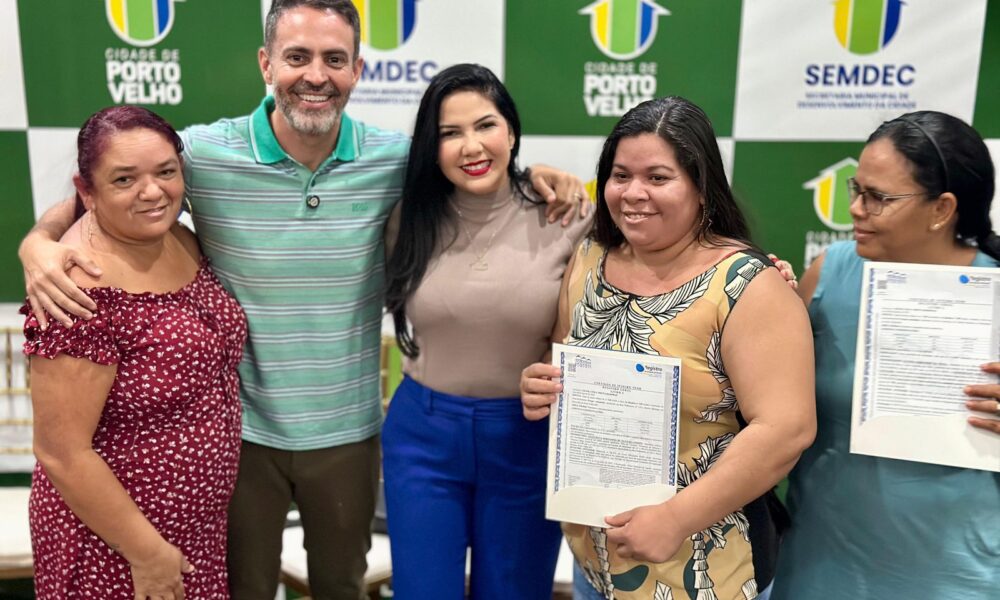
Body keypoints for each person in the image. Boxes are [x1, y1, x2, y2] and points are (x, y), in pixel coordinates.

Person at [17, 2, 586, 597]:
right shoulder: (202, 155)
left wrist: (538, 176)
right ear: (267, 64)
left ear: (358, 71)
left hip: (348, 433)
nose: (316, 75)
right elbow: (110, 185)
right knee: (245, 590)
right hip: (241, 435)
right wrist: (38, 245)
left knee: (342, 588)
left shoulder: (396, 160)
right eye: (297, 57)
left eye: (334, 59)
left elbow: (480, 173)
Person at [520, 96, 816, 600]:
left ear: (701, 187)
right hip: (597, 562)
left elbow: (786, 430)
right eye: (620, 176)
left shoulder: (747, 284)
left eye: (658, 177)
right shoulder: (590, 256)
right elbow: (562, 354)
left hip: (708, 572)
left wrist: (676, 517)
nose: (634, 193)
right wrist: (541, 384)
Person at [380, 63, 593, 599]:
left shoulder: (567, 215)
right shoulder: (408, 218)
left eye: (485, 125)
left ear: (511, 131)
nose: (471, 146)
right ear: (431, 148)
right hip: (423, 438)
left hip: (527, 435)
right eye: (450, 133)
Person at [769, 111, 1000, 599]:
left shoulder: (994, 292)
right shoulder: (829, 273)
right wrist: (762, 314)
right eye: (856, 190)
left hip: (955, 576)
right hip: (818, 565)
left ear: (942, 209)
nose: (855, 208)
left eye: (878, 198)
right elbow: (770, 408)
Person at [23, 106, 247, 599]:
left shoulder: (178, 236)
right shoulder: (77, 289)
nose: (153, 192)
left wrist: (37, 237)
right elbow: (61, 451)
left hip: (196, 531)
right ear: (87, 191)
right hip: (116, 543)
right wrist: (146, 553)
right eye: (124, 179)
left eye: (166, 172)